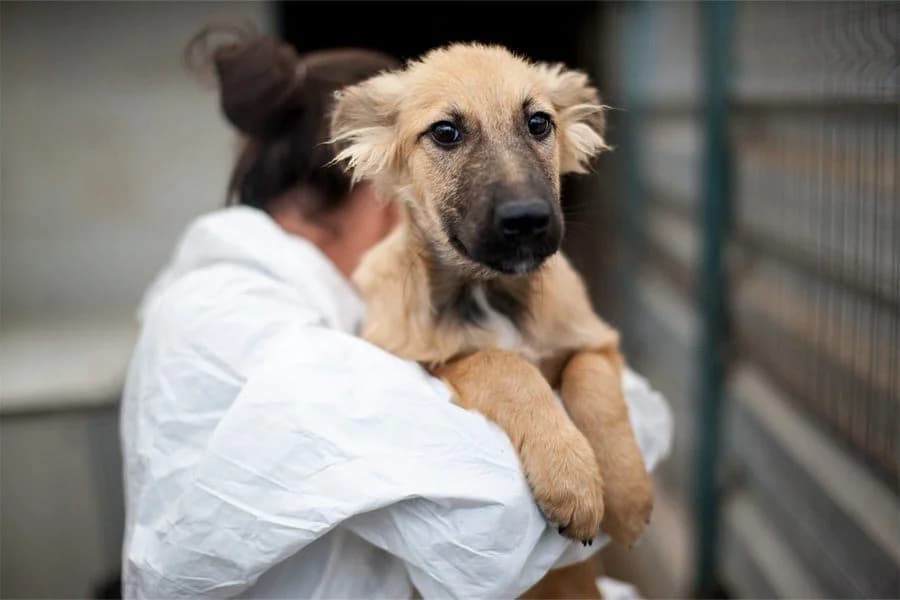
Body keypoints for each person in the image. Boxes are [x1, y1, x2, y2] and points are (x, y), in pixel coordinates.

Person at [119, 28, 673, 599]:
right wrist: (518, 390)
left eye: (536, 126)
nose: (404, 223)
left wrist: (594, 402)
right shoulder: (238, 320)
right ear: (366, 174)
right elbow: (484, 518)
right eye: (446, 135)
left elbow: (627, 406)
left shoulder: (297, 295)